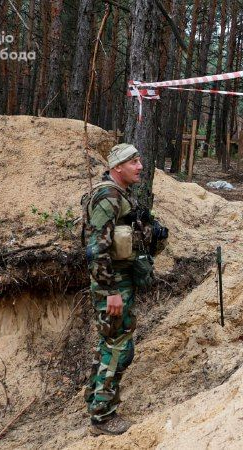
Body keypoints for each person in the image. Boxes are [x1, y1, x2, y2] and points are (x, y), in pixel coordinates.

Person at [81, 143, 165, 436]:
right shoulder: (107, 197)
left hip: (120, 280)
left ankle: (96, 401)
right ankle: (102, 417)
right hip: (113, 284)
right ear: (117, 167)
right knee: (119, 347)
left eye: (140, 160)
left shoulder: (120, 195)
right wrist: (111, 291)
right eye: (133, 162)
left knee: (112, 343)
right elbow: (96, 250)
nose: (140, 166)